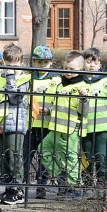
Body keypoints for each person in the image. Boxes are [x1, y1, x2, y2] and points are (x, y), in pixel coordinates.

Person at [40, 51, 86, 199]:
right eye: (66, 68)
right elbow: (60, 106)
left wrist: (83, 98)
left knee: (71, 158)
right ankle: (62, 176)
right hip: (55, 127)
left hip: (69, 129)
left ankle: (74, 188)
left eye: (72, 70)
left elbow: (84, 111)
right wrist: (48, 111)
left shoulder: (82, 86)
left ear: (80, 70)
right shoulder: (62, 84)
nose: (68, 72)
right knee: (43, 150)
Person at [0, 44, 31, 204]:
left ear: (20, 63)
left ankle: (17, 190)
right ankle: (8, 188)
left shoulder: (24, 79)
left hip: (15, 125)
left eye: (15, 65)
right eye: (9, 65)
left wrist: (10, 77)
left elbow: (15, 98)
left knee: (14, 156)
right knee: (3, 158)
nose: (11, 68)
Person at [28, 45, 61, 199]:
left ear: (51, 62)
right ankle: (21, 186)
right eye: (39, 62)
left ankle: (41, 186)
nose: (42, 65)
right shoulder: (29, 77)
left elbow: (61, 101)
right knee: (25, 156)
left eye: (45, 62)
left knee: (45, 157)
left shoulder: (57, 78)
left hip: (48, 124)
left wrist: (50, 111)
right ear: (34, 62)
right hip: (30, 124)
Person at [79, 47, 107, 190]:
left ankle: (101, 181)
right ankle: (87, 181)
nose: (91, 65)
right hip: (85, 126)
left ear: (100, 64)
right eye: (88, 62)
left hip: (102, 127)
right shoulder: (79, 81)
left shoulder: (106, 81)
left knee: (101, 156)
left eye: (95, 62)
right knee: (86, 156)